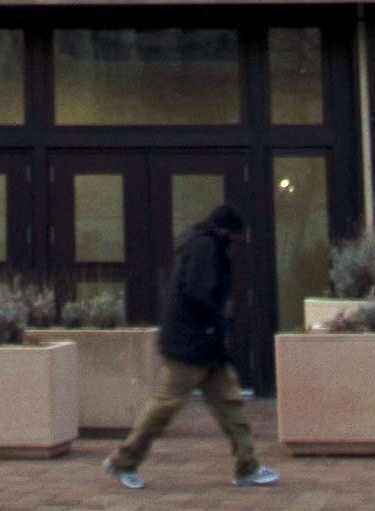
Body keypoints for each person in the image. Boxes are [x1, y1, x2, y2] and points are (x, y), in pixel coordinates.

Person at [108, 198, 277, 488]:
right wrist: (214, 324)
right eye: (235, 235)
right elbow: (198, 293)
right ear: (226, 230)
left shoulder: (204, 244)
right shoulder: (205, 248)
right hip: (190, 344)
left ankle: (247, 466)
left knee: (230, 404)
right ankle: (123, 461)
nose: (236, 241)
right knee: (166, 405)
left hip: (204, 344)